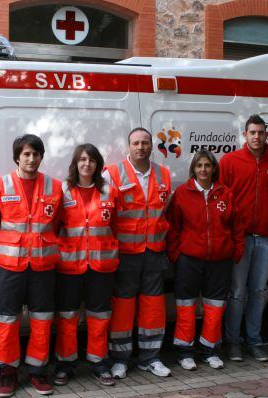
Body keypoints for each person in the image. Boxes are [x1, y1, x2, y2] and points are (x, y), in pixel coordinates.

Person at [0, 134, 63, 397]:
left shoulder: (55, 186)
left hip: (42, 266)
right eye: (26, 154)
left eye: (36, 154)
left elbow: (58, 223)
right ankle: (7, 373)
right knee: (7, 321)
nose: (31, 159)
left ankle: (38, 371)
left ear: (41, 157)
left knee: (42, 321)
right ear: (17, 156)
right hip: (9, 267)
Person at [103, 127, 172, 379]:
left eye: (145, 142)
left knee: (153, 307)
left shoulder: (164, 173)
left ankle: (150, 358)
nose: (140, 147)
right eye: (136, 143)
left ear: (152, 145)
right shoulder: (112, 173)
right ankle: (120, 359)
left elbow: (165, 211)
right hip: (125, 253)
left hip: (153, 251)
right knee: (122, 307)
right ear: (128, 146)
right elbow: (105, 214)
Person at [166, 150, 244, 371]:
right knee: (186, 307)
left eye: (207, 165)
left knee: (214, 307)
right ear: (193, 169)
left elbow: (237, 226)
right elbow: (172, 228)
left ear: (213, 168)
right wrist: (176, 255)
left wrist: (236, 251)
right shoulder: (182, 193)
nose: (203, 170)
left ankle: (210, 350)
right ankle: (185, 352)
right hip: (189, 261)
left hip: (220, 261)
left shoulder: (225, 194)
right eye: (199, 166)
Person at [220, 114, 268, 363]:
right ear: (244, 135)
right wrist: (229, 232)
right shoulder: (230, 162)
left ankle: (254, 341)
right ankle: (233, 343)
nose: (257, 136)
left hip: (267, 241)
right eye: (252, 132)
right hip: (241, 239)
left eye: (261, 132)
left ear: (266, 135)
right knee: (237, 292)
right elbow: (221, 200)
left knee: (259, 291)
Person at [53, 144, 119, 387]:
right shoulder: (63, 191)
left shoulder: (109, 192)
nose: (87, 164)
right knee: (67, 317)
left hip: (101, 268)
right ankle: (65, 364)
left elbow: (116, 226)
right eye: (82, 159)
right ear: (75, 163)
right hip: (70, 267)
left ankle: (99, 363)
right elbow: (53, 227)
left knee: (99, 317)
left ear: (98, 164)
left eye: (91, 160)